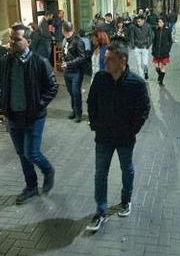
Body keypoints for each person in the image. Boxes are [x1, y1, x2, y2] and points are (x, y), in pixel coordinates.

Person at [86, 41, 150, 231]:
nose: (106, 62)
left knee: (126, 168)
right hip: (103, 136)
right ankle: (101, 211)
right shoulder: (100, 79)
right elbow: (91, 103)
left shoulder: (136, 83)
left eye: (110, 59)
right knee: (100, 174)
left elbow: (144, 110)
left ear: (122, 60)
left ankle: (126, 200)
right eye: (106, 58)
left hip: (125, 138)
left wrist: (132, 129)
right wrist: (95, 124)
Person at [0, 24, 58, 205]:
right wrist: (2, 102)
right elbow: (1, 84)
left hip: (33, 116)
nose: (12, 43)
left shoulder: (39, 62)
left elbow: (52, 87)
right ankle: (31, 186)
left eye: (17, 39)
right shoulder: (5, 61)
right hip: (13, 116)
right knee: (22, 154)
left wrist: (38, 105)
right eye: (11, 39)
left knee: (31, 153)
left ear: (28, 41)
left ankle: (48, 170)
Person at [60, 21, 87, 122]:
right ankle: (74, 110)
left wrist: (68, 63)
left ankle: (78, 113)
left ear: (64, 30)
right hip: (67, 71)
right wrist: (62, 58)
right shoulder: (65, 40)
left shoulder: (78, 41)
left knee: (76, 92)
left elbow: (82, 57)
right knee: (71, 92)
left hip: (76, 71)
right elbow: (64, 52)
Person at [129, 15, 154, 80]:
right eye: (137, 21)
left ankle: (145, 71)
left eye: (139, 21)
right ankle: (141, 77)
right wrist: (133, 45)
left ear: (143, 21)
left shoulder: (148, 26)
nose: (138, 23)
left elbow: (151, 35)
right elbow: (132, 36)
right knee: (138, 63)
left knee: (145, 62)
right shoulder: (134, 27)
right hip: (137, 47)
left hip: (145, 47)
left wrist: (148, 45)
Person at [152, 17, 173, 86]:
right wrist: (153, 49)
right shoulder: (156, 30)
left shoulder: (167, 30)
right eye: (158, 22)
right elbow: (154, 41)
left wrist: (168, 49)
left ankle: (161, 81)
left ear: (164, 23)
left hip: (164, 52)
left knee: (163, 67)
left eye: (161, 22)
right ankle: (160, 76)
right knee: (156, 67)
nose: (159, 23)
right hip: (156, 51)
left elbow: (170, 41)